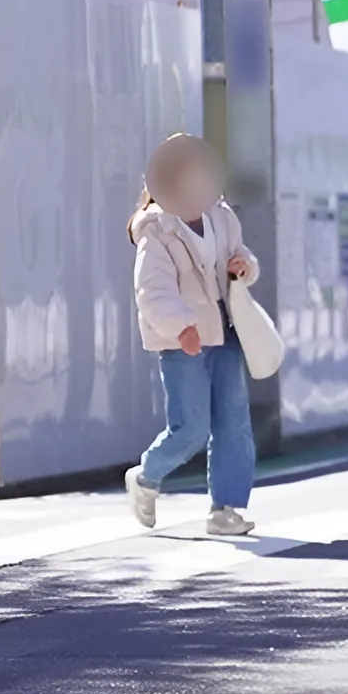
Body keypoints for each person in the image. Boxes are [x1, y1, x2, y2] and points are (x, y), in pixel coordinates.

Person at [124, 134, 261, 537]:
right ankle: (147, 476)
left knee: (233, 423)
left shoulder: (221, 217)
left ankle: (225, 508)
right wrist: (180, 327)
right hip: (182, 341)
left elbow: (243, 258)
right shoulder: (156, 231)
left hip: (226, 330)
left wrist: (244, 266)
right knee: (191, 428)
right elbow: (152, 290)